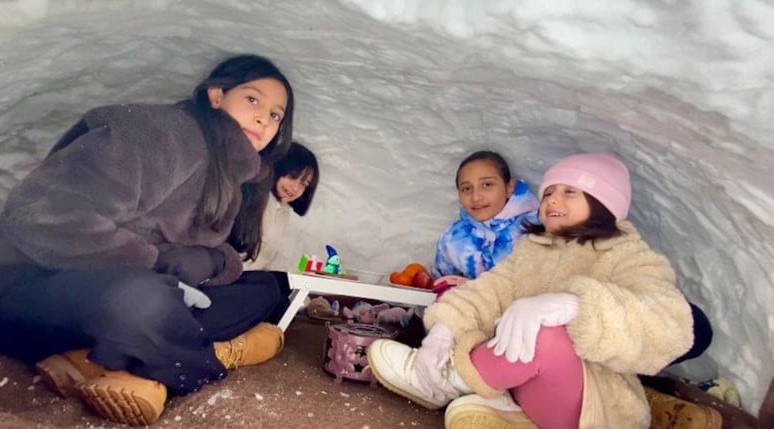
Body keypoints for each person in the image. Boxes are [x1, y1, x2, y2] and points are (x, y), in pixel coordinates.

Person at [0, 54, 295, 426]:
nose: (264, 119)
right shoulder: (162, 133)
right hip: (25, 289)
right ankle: (217, 354)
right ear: (216, 95)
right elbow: (46, 217)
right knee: (144, 303)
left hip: (119, 294)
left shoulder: (228, 173)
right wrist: (158, 264)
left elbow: (201, 246)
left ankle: (97, 358)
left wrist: (214, 262)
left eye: (276, 115)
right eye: (253, 99)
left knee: (269, 289)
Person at [367, 153, 701, 428]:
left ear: (602, 201)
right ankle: (503, 411)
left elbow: (671, 324)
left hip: (593, 409)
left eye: (569, 191)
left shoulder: (627, 254)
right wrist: (442, 332)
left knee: (546, 333)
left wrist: (575, 307)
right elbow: (489, 291)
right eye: (549, 191)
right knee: (503, 323)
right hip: (531, 393)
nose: (553, 198)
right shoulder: (536, 249)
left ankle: (447, 382)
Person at [230, 141, 319, 322]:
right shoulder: (256, 197)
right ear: (278, 167)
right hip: (233, 276)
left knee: (283, 286)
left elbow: (267, 258)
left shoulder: (283, 211)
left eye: (304, 183)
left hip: (252, 278)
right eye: (292, 176)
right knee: (277, 294)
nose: (295, 187)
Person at [431, 150, 538, 295]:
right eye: (466, 188)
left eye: (487, 185)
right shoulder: (453, 238)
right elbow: (439, 288)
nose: (476, 197)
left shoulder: (536, 227)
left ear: (509, 187)